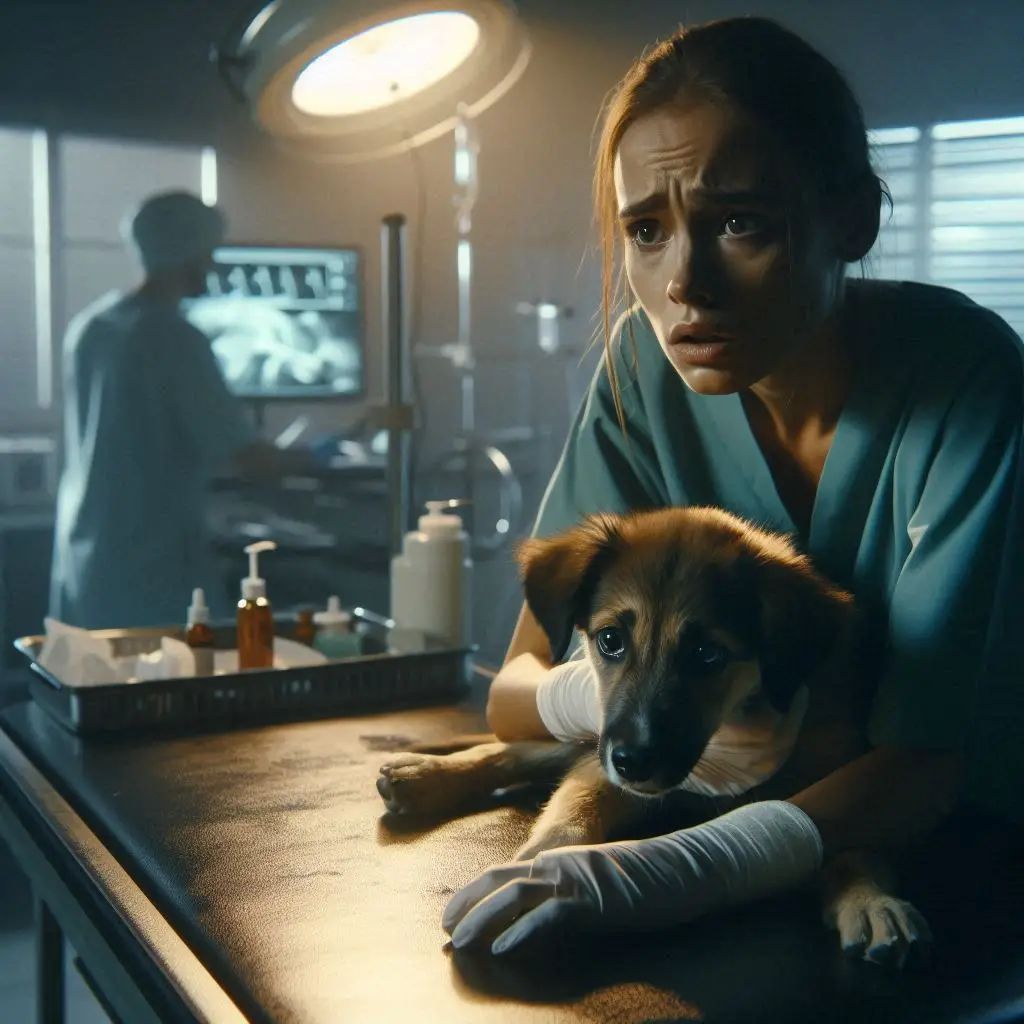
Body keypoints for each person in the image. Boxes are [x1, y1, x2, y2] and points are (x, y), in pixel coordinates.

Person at [444, 17, 1024, 955]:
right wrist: (605, 701)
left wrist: (669, 873)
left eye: (739, 220)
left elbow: (926, 763)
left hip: (955, 846)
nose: (686, 285)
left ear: (852, 220)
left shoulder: (967, 383)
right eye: (647, 230)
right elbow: (515, 694)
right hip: (739, 808)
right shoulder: (642, 367)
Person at [50, 191, 283, 629]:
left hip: (89, 552)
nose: (212, 265)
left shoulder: (91, 326)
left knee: (94, 682)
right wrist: (321, 455)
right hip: (151, 562)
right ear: (190, 253)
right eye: (209, 252)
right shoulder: (173, 337)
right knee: (170, 684)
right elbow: (245, 458)